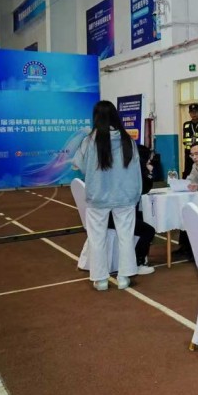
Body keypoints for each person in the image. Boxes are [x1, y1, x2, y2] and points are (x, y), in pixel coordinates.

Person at [72, 100, 142, 291]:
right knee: (126, 237)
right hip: (125, 196)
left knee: (97, 238)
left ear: (96, 118)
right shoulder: (128, 140)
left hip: (98, 197)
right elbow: (136, 170)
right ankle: (124, 276)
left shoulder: (89, 141)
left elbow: (80, 166)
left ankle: (100, 279)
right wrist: (135, 194)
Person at [106, 143, 156, 274]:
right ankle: (137, 263)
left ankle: (138, 258)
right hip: (118, 217)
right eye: (149, 160)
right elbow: (144, 189)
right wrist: (149, 173)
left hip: (108, 214)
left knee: (142, 219)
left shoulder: (123, 170)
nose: (151, 162)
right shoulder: (136, 175)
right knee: (149, 231)